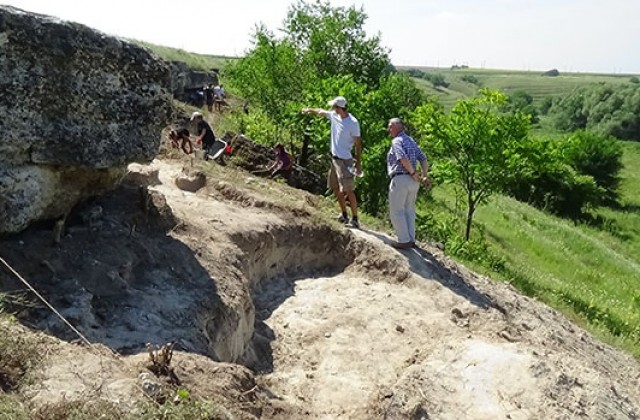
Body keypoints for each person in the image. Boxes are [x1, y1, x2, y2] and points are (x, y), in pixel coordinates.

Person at [302, 96, 362, 228]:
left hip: (345, 160)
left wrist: (358, 162)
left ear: (340, 108)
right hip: (334, 159)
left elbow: (358, 143)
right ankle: (344, 215)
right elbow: (320, 111)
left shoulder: (353, 123)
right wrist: (309, 110)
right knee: (335, 187)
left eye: (334, 107)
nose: (332, 109)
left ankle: (355, 219)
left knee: (348, 189)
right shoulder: (334, 115)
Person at [386, 117, 430, 249]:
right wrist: (424, 176)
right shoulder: (411, 141)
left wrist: (412, 172)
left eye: (390, 126)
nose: (388, 129)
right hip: (413, 182)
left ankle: (404, 240)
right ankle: (411, 238)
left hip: (401, 178)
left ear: (396, 127)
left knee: (397, 210)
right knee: (409, 210)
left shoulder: (397, 141)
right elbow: (423, 158)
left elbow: (402, 158)